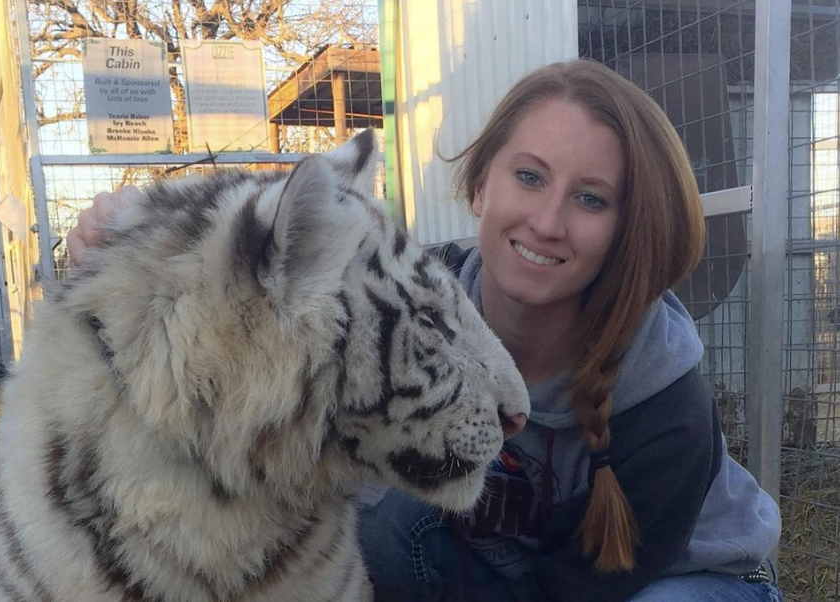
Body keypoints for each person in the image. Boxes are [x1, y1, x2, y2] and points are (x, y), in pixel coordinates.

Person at [68, 59, 783, 602]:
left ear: (627, 228)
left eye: (591, 199)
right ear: (480, 185)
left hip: (674, 581)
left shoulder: (665, 402)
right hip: (508, 569)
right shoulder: (405, 292)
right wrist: (135, 249)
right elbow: (249, 290)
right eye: (529, 177)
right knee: (382, 524)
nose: (547, 221)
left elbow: (589, 590)